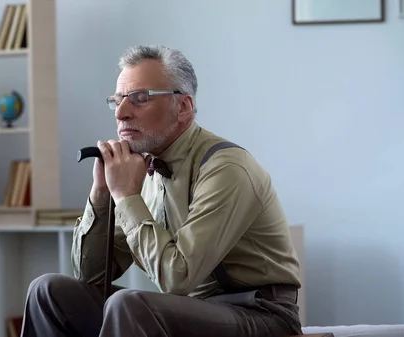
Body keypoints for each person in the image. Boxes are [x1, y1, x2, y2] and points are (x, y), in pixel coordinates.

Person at [21, 45, 303, 337]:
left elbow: (176, 278)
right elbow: (92, 275)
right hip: (191, 309)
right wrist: (103, 193)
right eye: (117, 100)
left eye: (139, 98)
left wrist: (127, 197)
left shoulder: (227, 167)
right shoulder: (140, 167)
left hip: (261, 315)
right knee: (48, 291)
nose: (121, 112)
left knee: (129, 303)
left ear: (183, 107)